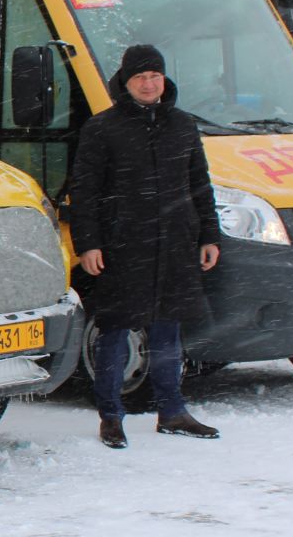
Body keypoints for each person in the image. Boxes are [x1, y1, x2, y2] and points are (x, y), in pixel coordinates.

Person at [68, 44, 223, 449]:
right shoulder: (102, 128)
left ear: (164, 79)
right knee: (114, 332)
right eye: (140, 77)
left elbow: (200, 185)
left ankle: (172, 411)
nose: (149, 84)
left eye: (155, 76)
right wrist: (89, 244)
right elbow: (85, 192)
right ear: (126, 82)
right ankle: (111, 416)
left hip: (174, 244)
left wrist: (210, 235)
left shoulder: (183, 125)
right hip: (122, 247)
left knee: (168, 333)